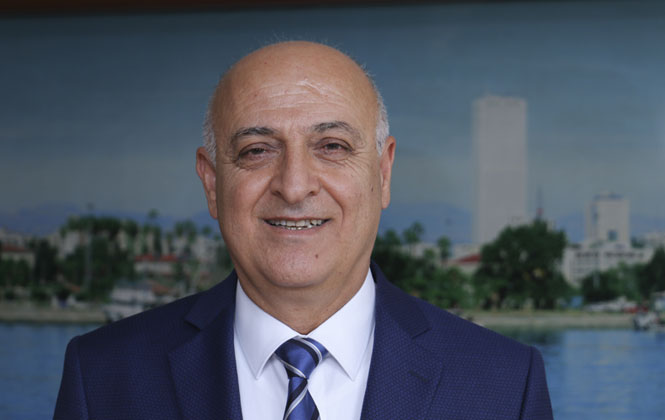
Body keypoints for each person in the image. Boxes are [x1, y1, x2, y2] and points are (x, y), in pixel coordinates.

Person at [54, 41, 553, 420]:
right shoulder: (102, 378)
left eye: (332, 146)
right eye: (257, 151)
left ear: (382, 173)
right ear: (212, 182)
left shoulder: (505, 386)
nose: (294, 186)